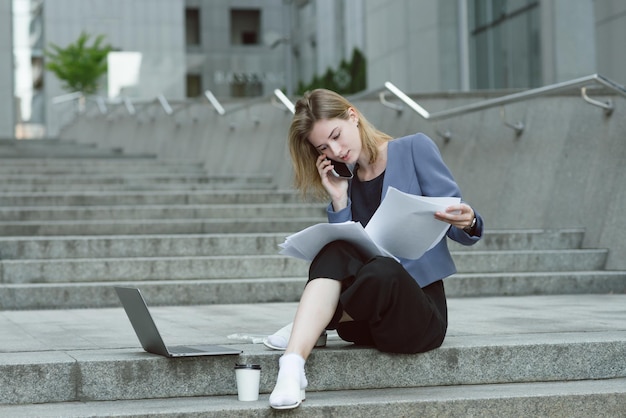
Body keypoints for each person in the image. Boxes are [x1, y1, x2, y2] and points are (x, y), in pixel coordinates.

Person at [268, 89, 483, 410]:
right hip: (364, 322)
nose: (337, 151)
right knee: (337, 246)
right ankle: (292, 367)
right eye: (324, 147)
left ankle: (320, 321)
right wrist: (339, 199)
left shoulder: (413, 149)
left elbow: (458, 222)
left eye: (337, 136)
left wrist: (467, 221)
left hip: (417, 315)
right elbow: (343, 256)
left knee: (383, 269)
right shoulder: (347, 179)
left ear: (352, 116)